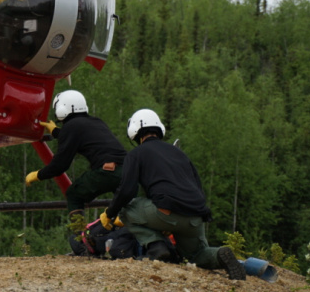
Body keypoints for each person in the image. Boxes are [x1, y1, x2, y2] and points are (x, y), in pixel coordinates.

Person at [99, 108, 245, 279]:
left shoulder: (136, 154)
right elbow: (198, 186)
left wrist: (109, 213)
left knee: (125, 209)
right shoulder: (180, 154)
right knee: (196, 255)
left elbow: (126, 191)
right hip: (195, 216)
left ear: (135, 131)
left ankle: (157, 247)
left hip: (165, 213)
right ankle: (221, 254)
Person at [25, 90, 126, 218]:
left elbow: (60, 165)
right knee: (124, 204)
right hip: (127, 170)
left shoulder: (71, 126)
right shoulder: (96, 121)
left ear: (62, 108)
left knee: (74, 195)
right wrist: (56, 132)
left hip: (107, 171)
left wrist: (38, 175)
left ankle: (80, 234)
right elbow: (80, 137)